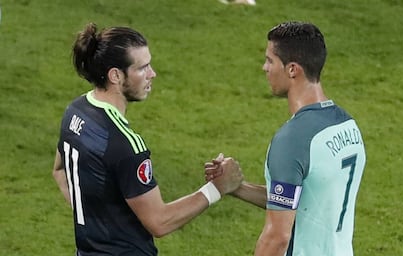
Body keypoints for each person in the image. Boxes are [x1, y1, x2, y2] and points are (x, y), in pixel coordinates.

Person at [52, 23, 243, 256]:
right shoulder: (124, 145)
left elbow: (59, 171)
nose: (152, 74)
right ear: (115, 75)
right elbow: (159, 222)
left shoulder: (75, 110)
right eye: (143, 68)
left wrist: (94, 218)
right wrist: (216, 188)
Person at [205, 21, 366, 256]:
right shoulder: (347, 125)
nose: (264, 68)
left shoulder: (293, 140)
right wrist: (238, 187)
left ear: (292, 69)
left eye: (270, 61)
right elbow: (305, 199)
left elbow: (277, 237)